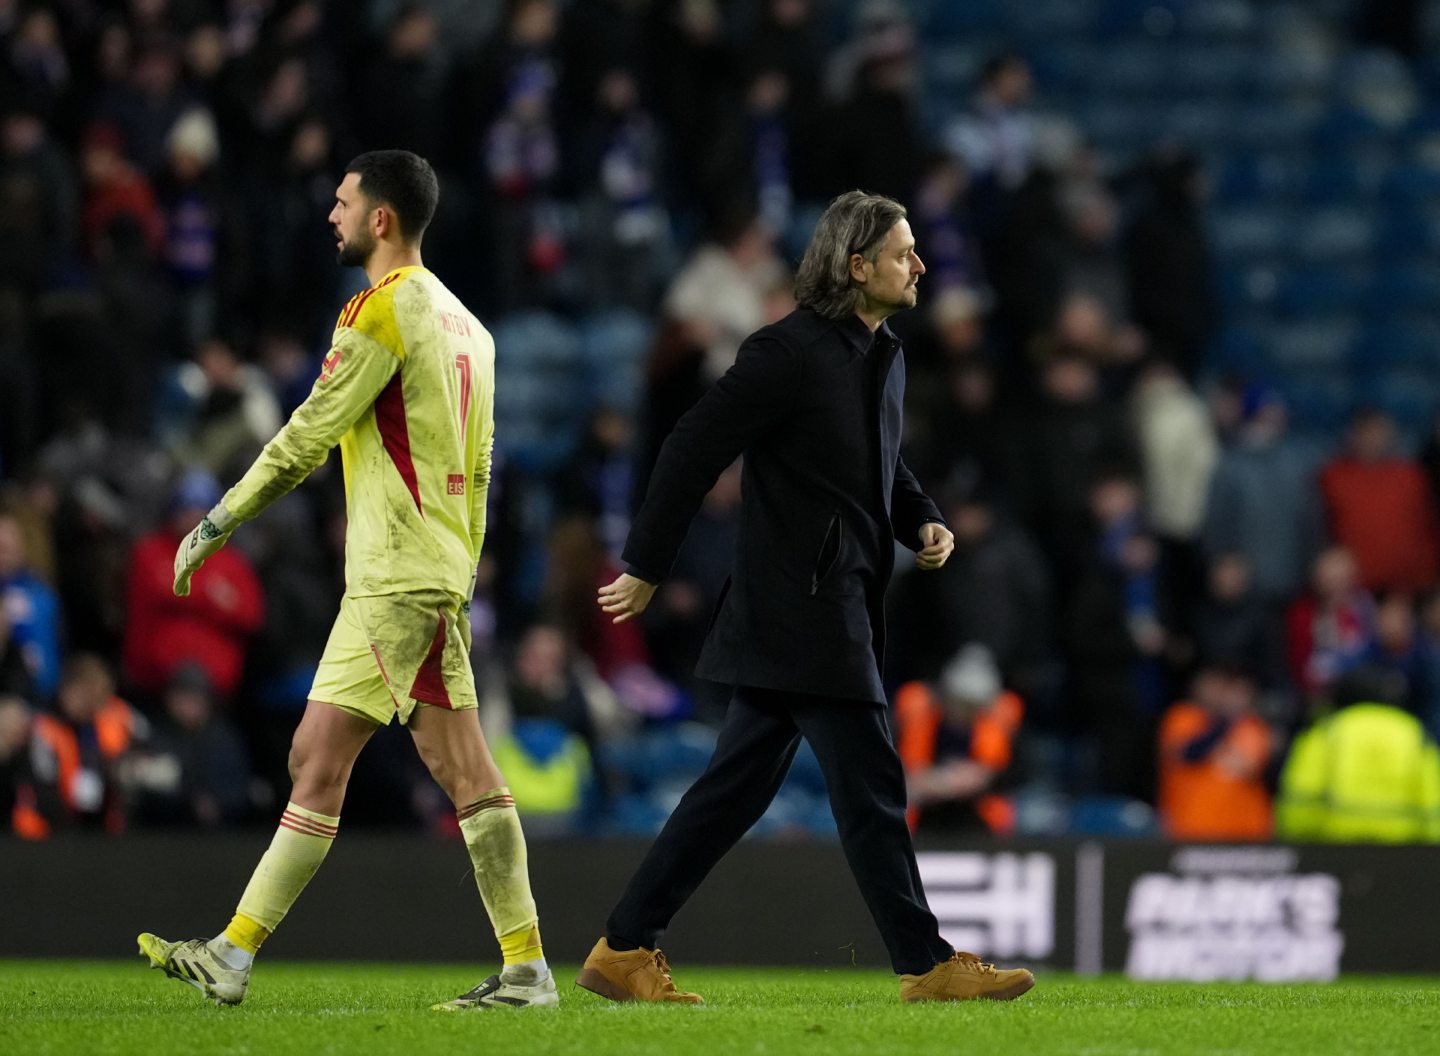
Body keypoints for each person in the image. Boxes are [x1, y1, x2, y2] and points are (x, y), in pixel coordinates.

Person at [575, 191, 1035, 1004]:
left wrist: (920, 518)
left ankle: (623, 947)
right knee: (870, 784)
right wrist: (646, 562)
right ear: (857, 267)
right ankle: (924, 963)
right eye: (903, 253)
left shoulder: (881, 351)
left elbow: (880, 465)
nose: (920, 265)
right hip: (804, 606)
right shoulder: (785, 353)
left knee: (732, 793)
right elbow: (691, 444)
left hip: (831, 600)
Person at [136, 150, 556, 1011]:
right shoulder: (472, 327)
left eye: (341, 202)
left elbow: (306, 436)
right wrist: (462, 573)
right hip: (437, 573)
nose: (330, 216)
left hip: (394, 577)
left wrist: (216, 522)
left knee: (318, 759)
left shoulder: (382, 309)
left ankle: (233, 953)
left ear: (380, 219)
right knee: (462, 772)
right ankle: (526, 970)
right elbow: (480, 473)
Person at [1156, 664, 1273, 842]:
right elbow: (1189, 753)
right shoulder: (1182, 717)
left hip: (1244, 832)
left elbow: (1247, 767)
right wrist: (1226, 722)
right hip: (1189, 828)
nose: (1215, 692)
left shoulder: (1250, 726)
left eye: (1221, 687)